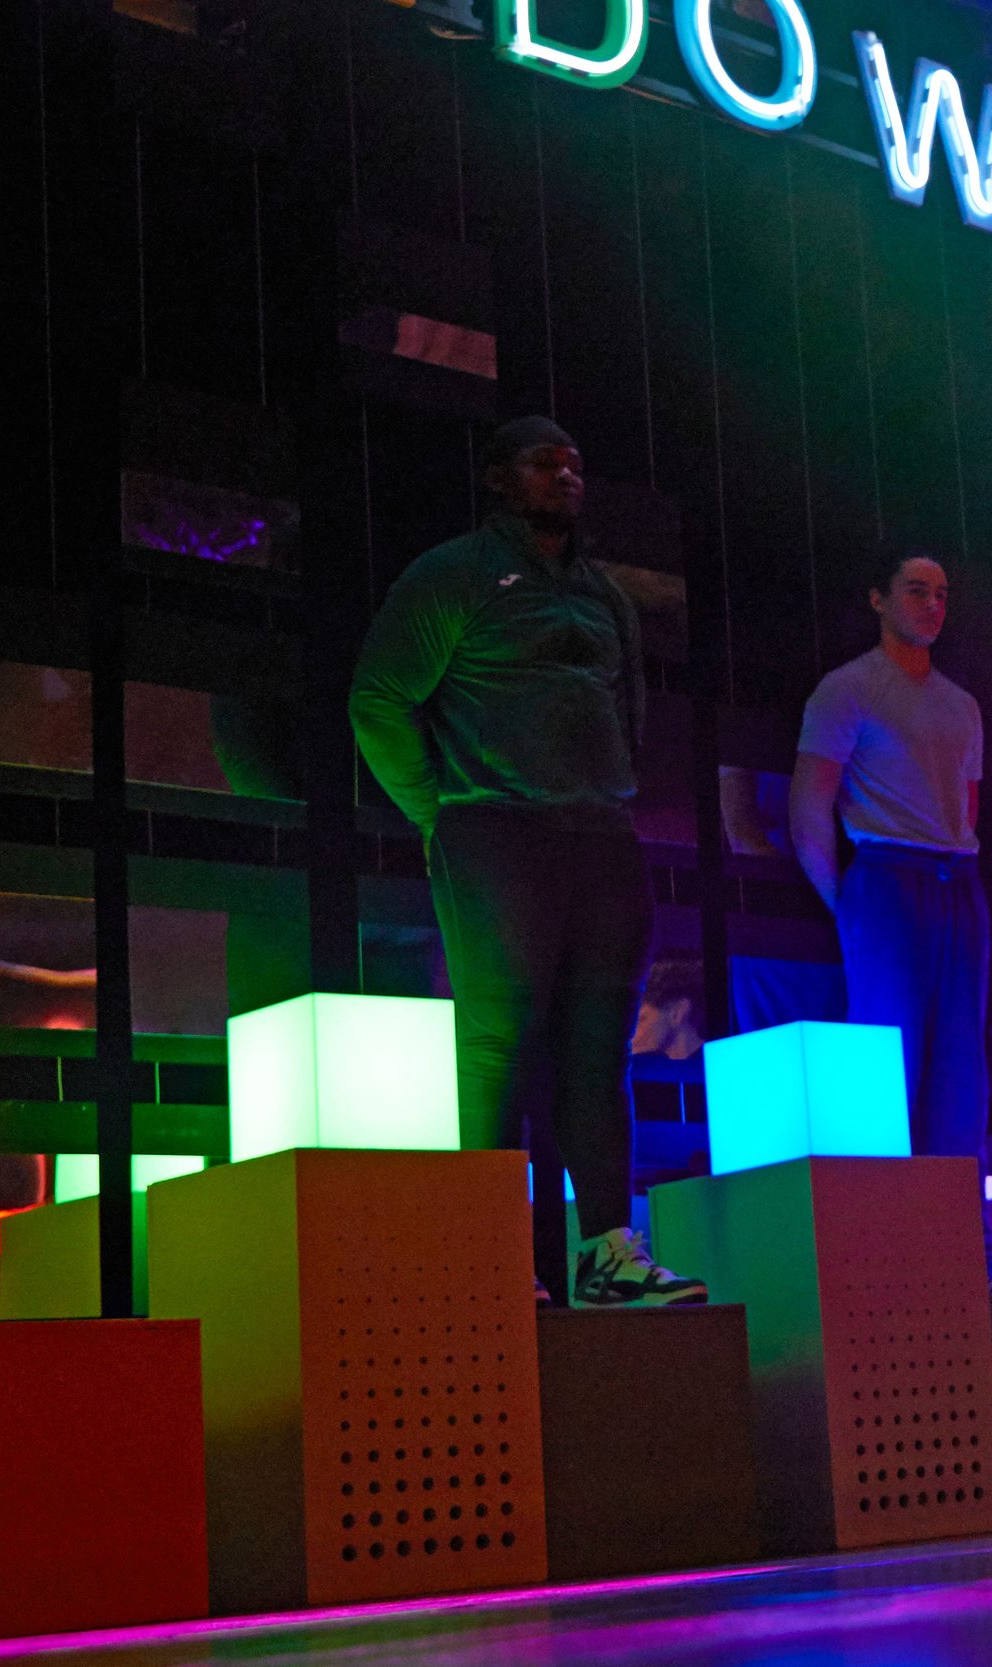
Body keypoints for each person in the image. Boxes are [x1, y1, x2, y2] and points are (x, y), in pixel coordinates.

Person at [351, 416, 706, 1308]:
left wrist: (604, 794)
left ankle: (606, 1252)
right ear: (498, 479)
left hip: (599, 836)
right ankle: (490, 1254)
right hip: (494, 833)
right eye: (545, 463)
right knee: (498, 1044)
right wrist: (441, 813)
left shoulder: (602, 594)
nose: (566, 474)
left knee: (598, 1049)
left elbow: (628, 711)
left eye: (577, 462)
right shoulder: (454, 574)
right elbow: (379, 698)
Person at [789, 553, 992, 1286]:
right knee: (890, 1066)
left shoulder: (962, 703)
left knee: (961, 1071)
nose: (932, 604)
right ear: (877, 597)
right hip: (887, 875)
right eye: (916, 590)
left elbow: (968, 807)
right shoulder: (848, 688)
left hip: (957, 876)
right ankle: (891, 1251)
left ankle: (966, 1254)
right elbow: (808, 808)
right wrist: (849, 904)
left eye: (943, 593)